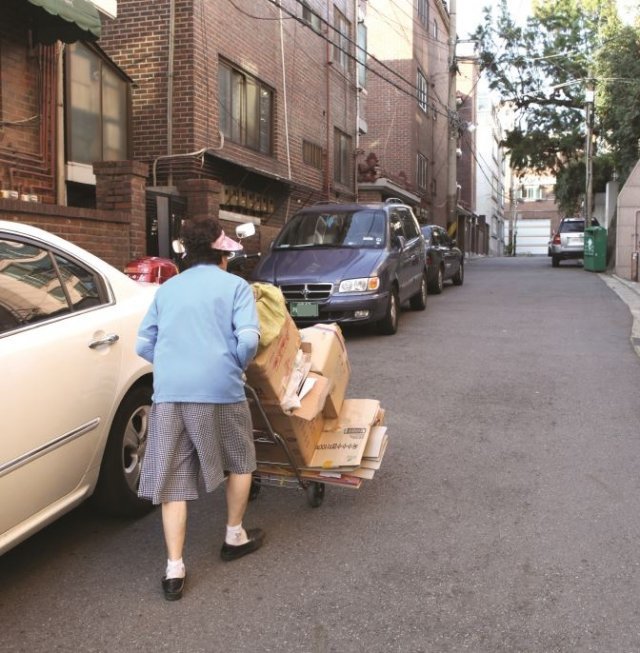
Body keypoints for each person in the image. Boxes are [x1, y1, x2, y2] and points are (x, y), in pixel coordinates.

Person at [135, 218, 264, 601]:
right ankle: (234, 535)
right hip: (220, 388)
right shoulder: (237, 287)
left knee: (173, 477)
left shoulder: (167, 289)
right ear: (222, 254)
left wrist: (174, 365)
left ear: (188, 254)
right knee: (241, 459)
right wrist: (234, 365)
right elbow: (249, 340)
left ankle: (174, 569)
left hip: (171, 392)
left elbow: (144, 344)